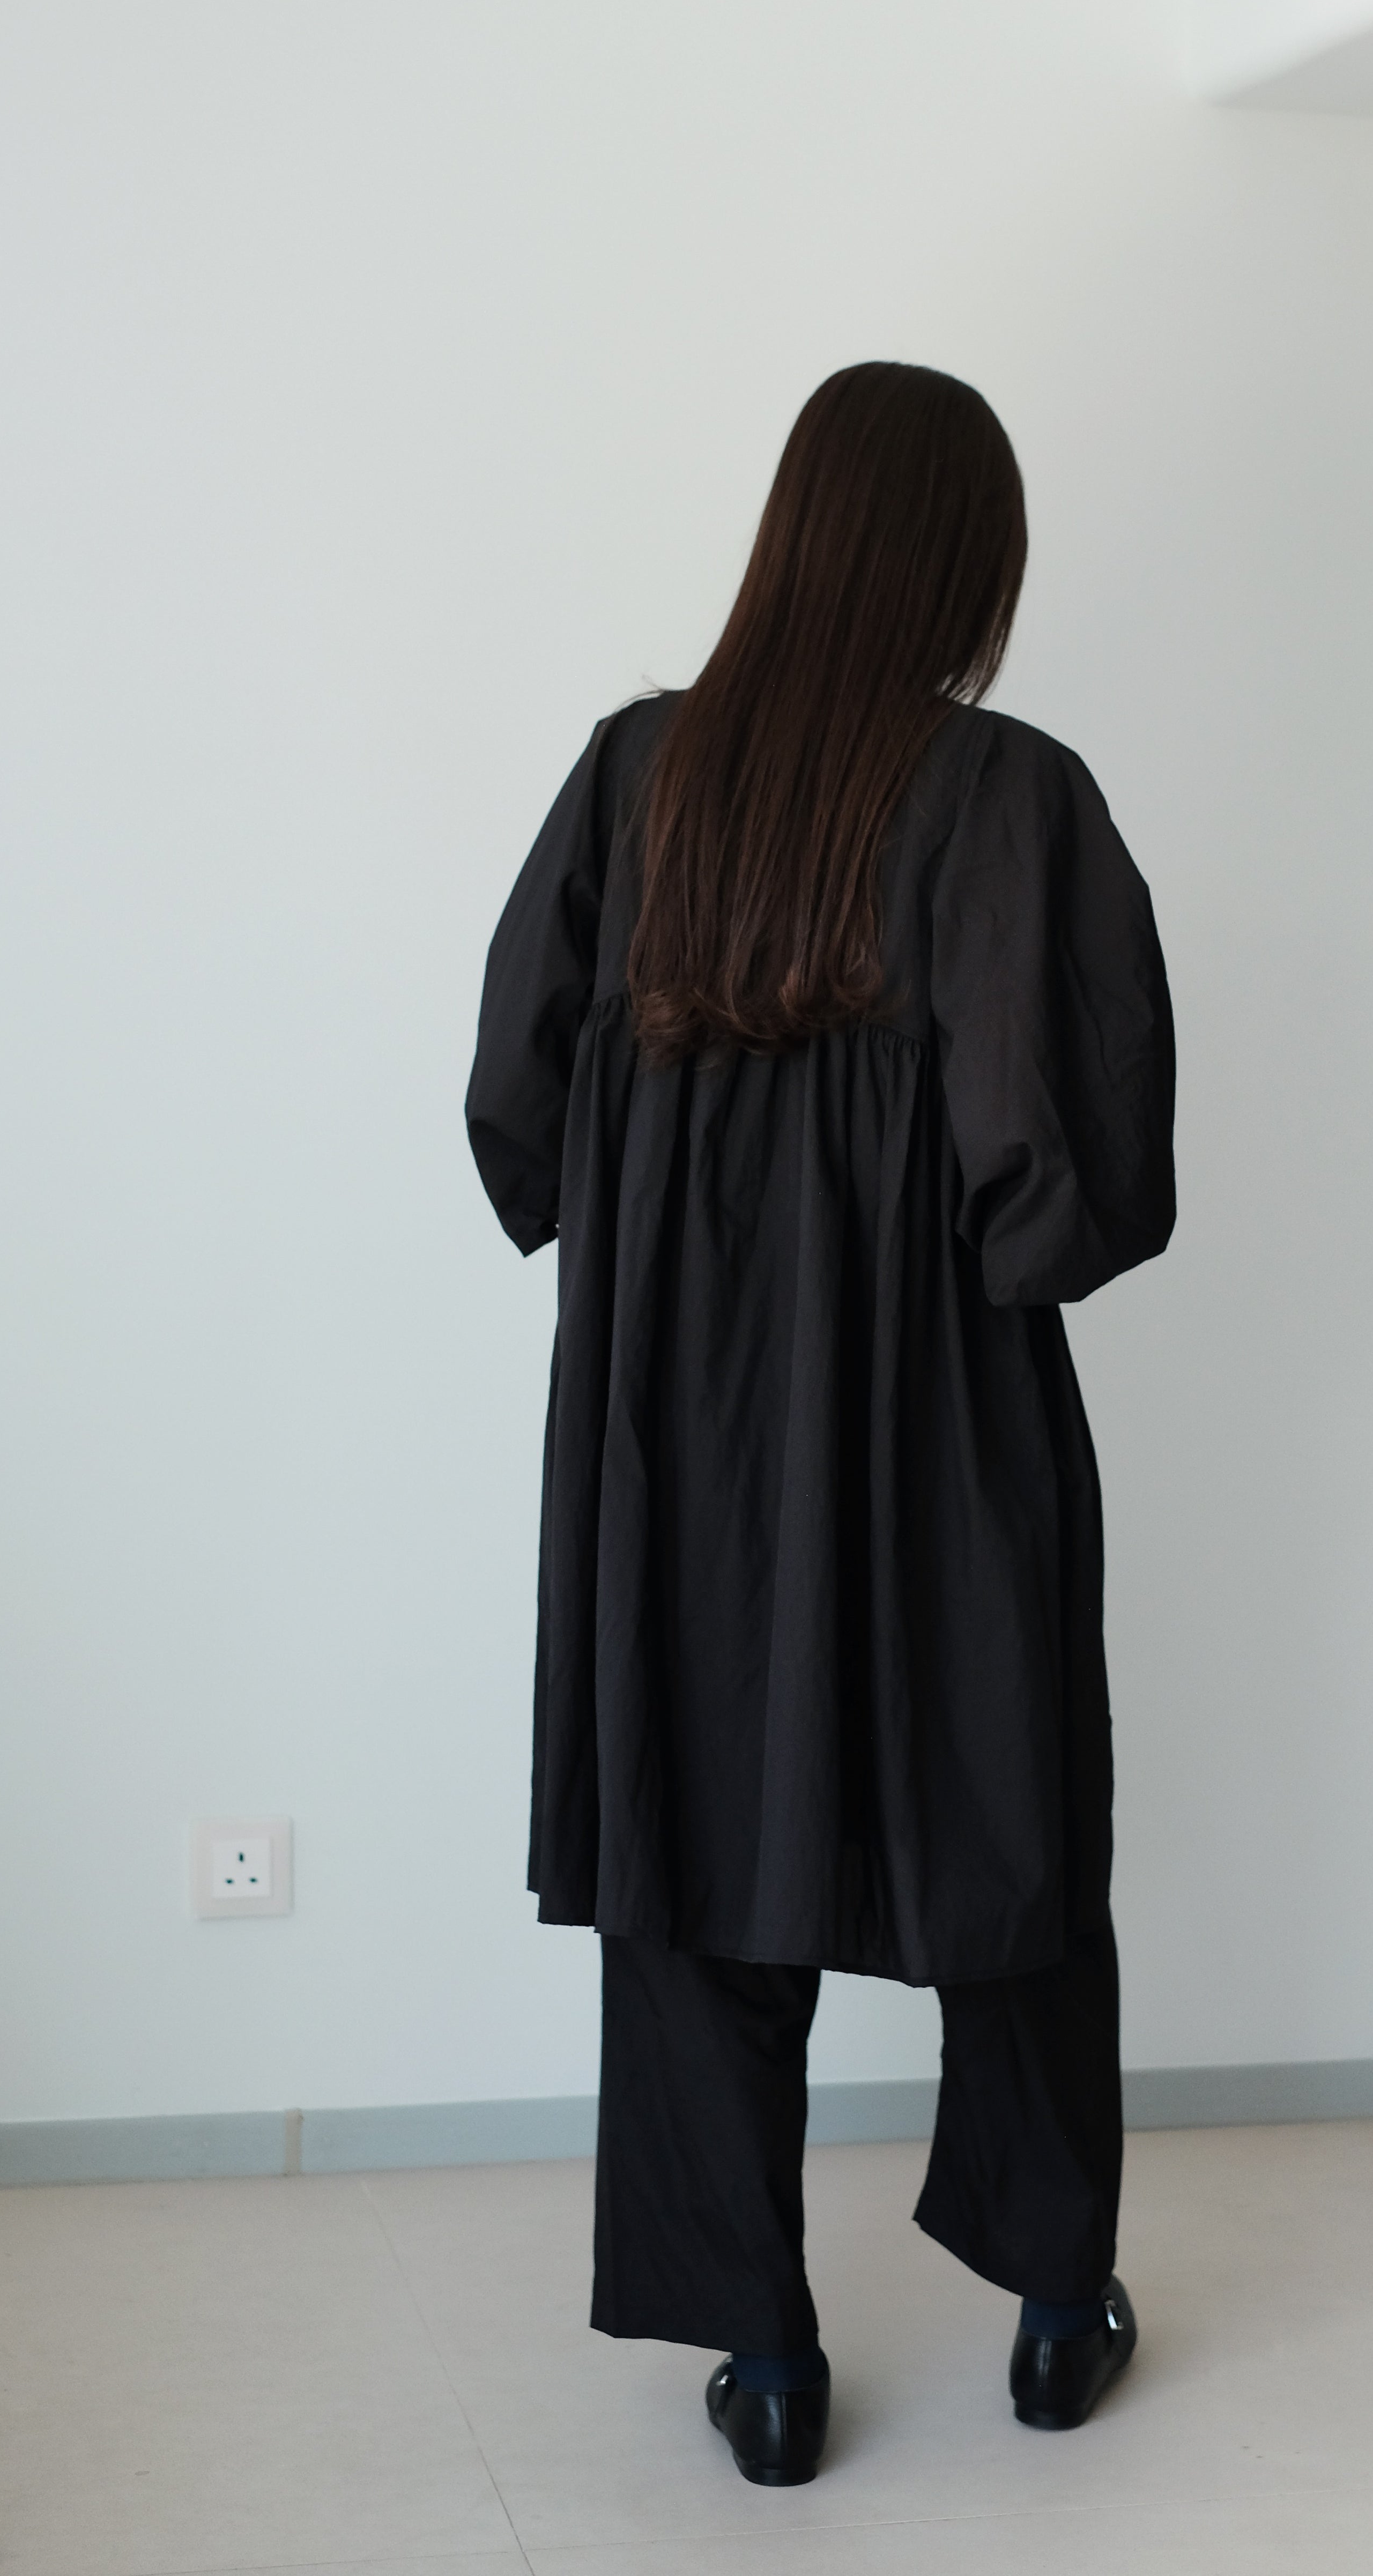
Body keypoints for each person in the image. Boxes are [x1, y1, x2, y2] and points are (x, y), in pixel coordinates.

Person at [465, 361, 1176, 2486]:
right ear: (965, 564)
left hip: (674, 1442)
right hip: (945, 1417)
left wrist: (679, 1241)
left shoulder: (640, 776)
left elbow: (514, 1112)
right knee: (1008, 1819)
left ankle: (765, 2364)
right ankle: (1053, 2302)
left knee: (701, 1838)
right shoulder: (1010, 798)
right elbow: (1069, 1171)